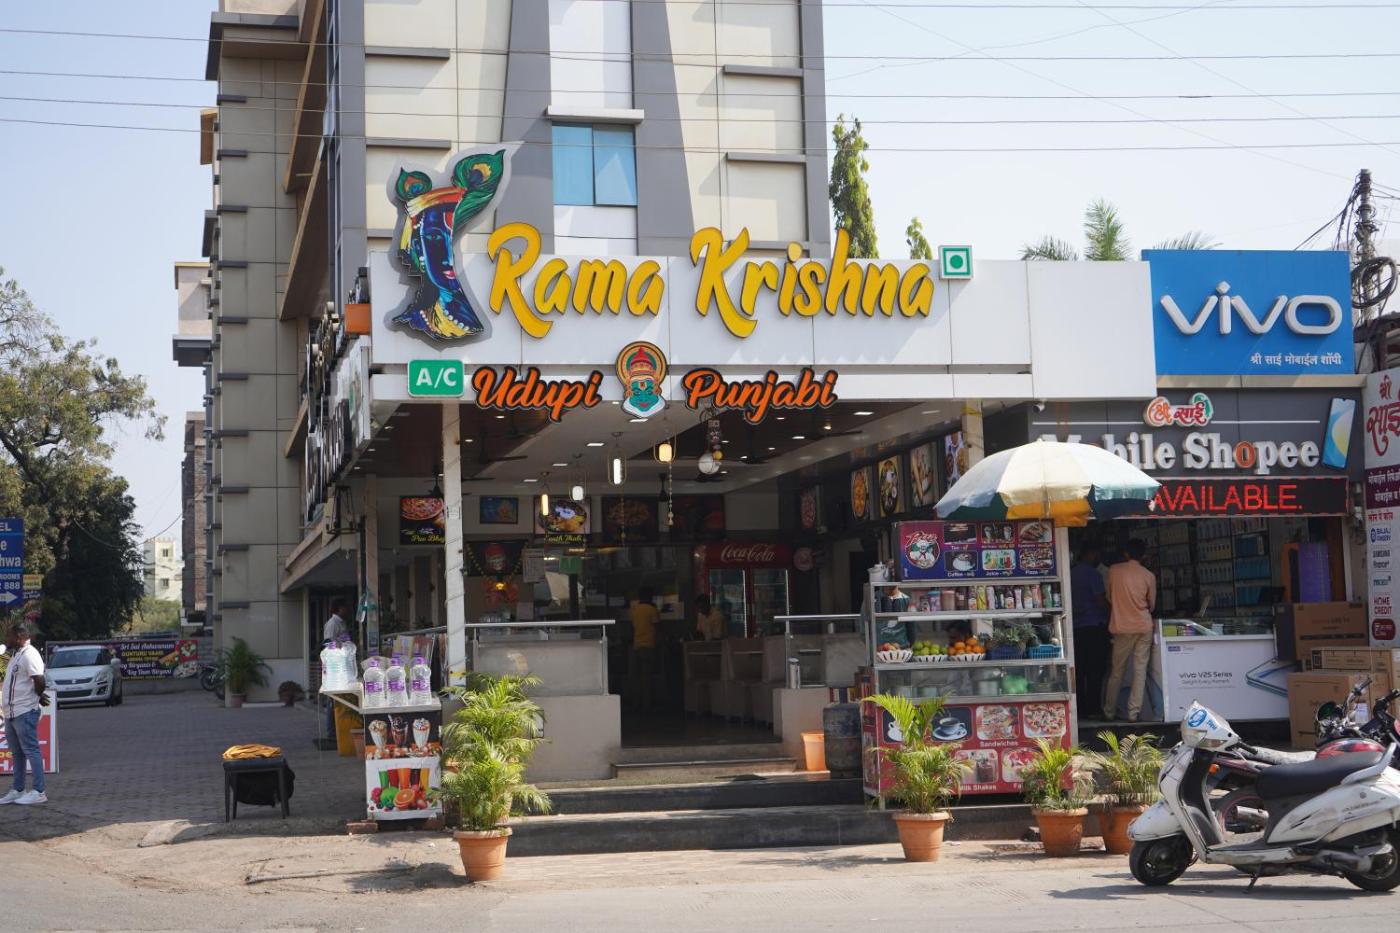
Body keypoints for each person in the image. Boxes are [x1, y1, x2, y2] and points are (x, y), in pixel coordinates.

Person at [1102, 539, 1157, 723]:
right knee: (1140, 670)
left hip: (1122, 626)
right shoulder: (1149, 575)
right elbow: (1152, 605)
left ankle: (1109, 711)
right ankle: (1134, 713)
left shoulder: (1113, 571)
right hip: (1143, 626)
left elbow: (1109, 596)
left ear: (1126, 554)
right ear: (1143, 556)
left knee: (1117, 670)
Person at [0, 621, 49, 805]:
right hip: (11, 713)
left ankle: (39, 791)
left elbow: (39, 680)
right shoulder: (17, 654)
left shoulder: (30, 654)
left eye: (9, 635)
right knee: (17, 753)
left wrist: (35, 698)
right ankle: (18, 790)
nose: (7, 638)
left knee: (31, 750)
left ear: (19, 637)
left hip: (24, 711)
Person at [1071, 542, 1110, 717]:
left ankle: (1079, 709)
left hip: (1075, 627)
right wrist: (1111, 614)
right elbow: (1100, 599)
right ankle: (1093, 708)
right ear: (1090, 554)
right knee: (1095, 670)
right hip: (1094, 626)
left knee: (1079, 670)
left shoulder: (1071, 573)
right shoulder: (1093, 574)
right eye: (1096, 555)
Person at [322, 598, 350, 741]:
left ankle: (338, 730)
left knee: (338, 699)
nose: (348, 610)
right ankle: (331, 732)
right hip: (335, 666)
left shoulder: (341, 623)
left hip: (343, 664)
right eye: (345, 607)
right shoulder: (332, 624)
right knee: (332, 699)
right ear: (339, 608)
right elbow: (327, 643)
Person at [630, 587, 660, 712]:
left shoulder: (635, 610)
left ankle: (636, 703)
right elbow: (657, 628)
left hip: (636, 645)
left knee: (636, 678)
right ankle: (646, 705)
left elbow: (633, 627)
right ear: (649, 596)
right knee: (647, 678)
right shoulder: (652, 610)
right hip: (648, 646)